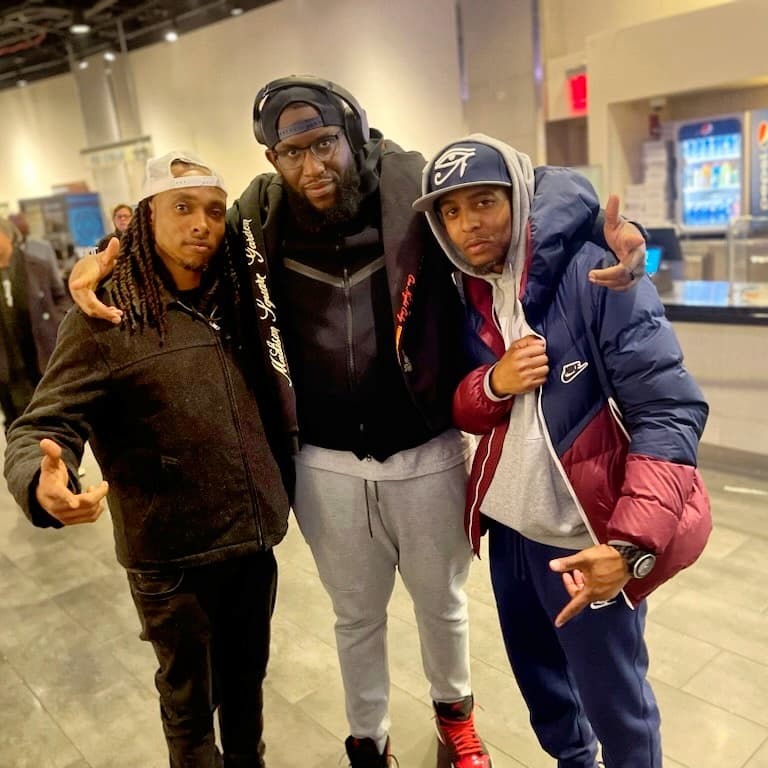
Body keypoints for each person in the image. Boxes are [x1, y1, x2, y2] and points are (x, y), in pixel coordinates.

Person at [68, 76, 648, 768]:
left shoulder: (412, 179)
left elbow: (529, 187)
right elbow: (180, 245)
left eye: (322, 144)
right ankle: (367, 739)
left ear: (353, 131)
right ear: (272, 159)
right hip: (325, 459)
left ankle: (454, 717)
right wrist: (103, 262)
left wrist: (604, 228)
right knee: (354, 616)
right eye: (290, 153)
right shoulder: (260, 213)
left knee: (443, 604)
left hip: (427, 447)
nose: (311, 166)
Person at [412, 134, 712, 768]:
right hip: (513, 535)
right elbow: (466, 407)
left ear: (519, 197)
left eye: (485, 201)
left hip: (583, 535)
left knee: (618, 709)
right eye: (452, 211)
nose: (469, 224)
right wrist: (495, 381)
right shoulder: (469, 289)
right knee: (546, 696)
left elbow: (669, 409)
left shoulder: (596, 270)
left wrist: (627, 544)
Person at [4, 150, 291, 768]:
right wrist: (41, 484)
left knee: (247, 689)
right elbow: (40, 426)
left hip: (251, 546)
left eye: (214, 212)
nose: (201, 224)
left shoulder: (239, 298)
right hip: (172, 560)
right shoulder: (106, 316)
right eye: (182, 208)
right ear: (145, 218)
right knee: (189, 706)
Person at [0, 216, 70, 432]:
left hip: (40, 359)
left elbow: (62, 299)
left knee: (51, 419)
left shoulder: (36, 265)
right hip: (7, 369)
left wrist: (54, 323)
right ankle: (26, 465)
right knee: (17, 426)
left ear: (7, 235)